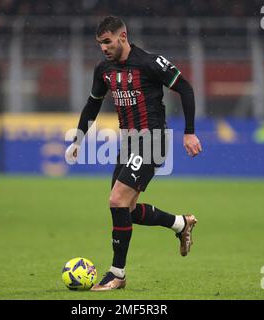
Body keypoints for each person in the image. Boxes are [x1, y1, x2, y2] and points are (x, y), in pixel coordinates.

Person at [65, 16, 202, 291]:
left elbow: (185, 88)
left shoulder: (151, 63)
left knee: (116, 200)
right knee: (124, 209)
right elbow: (92, 105)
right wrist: (78, 138)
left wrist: (189, 131)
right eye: (100, 43)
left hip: (152, 141)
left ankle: (117, 274)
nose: (103, 48)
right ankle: (180, 223)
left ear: (123, 37)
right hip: (127, 143)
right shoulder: (104, 69)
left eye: (107, 41)